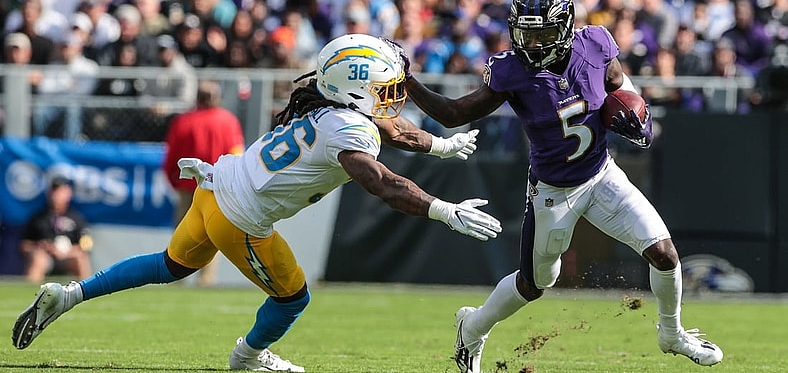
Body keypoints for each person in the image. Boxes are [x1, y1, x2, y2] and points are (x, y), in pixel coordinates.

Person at [12, 34, 502, 372]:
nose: (394, 98)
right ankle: (248, 356)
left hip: (215, 186)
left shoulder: (325, 105)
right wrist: (442, 209)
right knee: (293, 297)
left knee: (170, 265)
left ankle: (69, 295)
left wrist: (440, 146)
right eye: (385, 89)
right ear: (356, 91)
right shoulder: (348, 128)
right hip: (239, 217)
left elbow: (391, 130)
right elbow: (381, 182)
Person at [397, 0, 724, 372]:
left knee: (665, 254)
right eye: (526, 34)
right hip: (553, 190)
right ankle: (473, 325)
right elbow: (453, 114)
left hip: (602, 175)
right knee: (534, 285)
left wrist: (639, 116)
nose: (533, 44)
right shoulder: (511, 70)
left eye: (543, 34)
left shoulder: (597, 43)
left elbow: (620, 85)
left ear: (566, 28)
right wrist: (408, 81)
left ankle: (672, 333)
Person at [162, 79, 245, 286]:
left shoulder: (183, 121)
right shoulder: (227, 121)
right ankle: (206, 281)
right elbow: (237, 154)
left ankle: (176, 278)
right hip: (216, 188)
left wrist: (175, 183)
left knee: (182, 234)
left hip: (187, 187)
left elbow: (170, 158)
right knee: (212, 235)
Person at [19, 176, 92, 284]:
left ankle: (86, 289)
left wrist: (68, 251)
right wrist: (40, 247)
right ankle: (30, 295)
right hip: (46, 257)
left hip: (68, 257)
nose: (56, 196)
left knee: (81, 259)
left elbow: (86, 245)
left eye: (61, 192)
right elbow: (24, 245)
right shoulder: (38, 218)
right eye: (54, 191)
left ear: (69, 194)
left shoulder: (76, 218)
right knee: (38, 259)